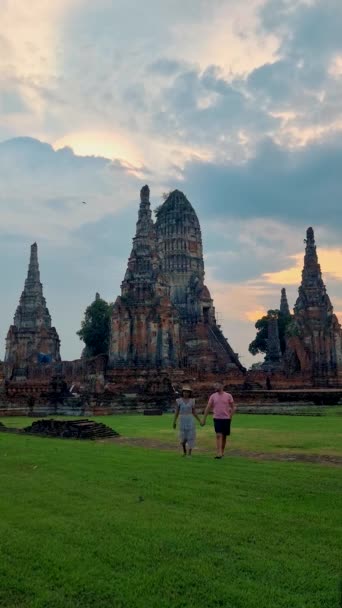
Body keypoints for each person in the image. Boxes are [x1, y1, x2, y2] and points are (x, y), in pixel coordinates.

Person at [202, 381, 236, 459]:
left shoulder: (228, 396)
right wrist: (204, 418)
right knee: (218, 435)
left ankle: (222, 451)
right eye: (215, 385)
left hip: (226, 418)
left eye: (217, 385)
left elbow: (233, 407)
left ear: (222, 386)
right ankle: (219, 452)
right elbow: (208, 407)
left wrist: (230, 416)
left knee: (224, 436)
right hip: (217, 418)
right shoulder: (213, 396)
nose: (215, 387)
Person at [173, 385, 201, 456]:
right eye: (185, 392)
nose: (186, 393)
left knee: (191, 435)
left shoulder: (192, 401)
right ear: (182, 392)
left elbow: (194, 412)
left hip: (190, 419)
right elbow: (177, 412)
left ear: (189, 393)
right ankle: (184, 450)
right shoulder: (178, 401)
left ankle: (189, 452)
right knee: (183, 437)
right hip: (182, 419)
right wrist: (174, 422)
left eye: (187, 392)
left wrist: (199, 420)